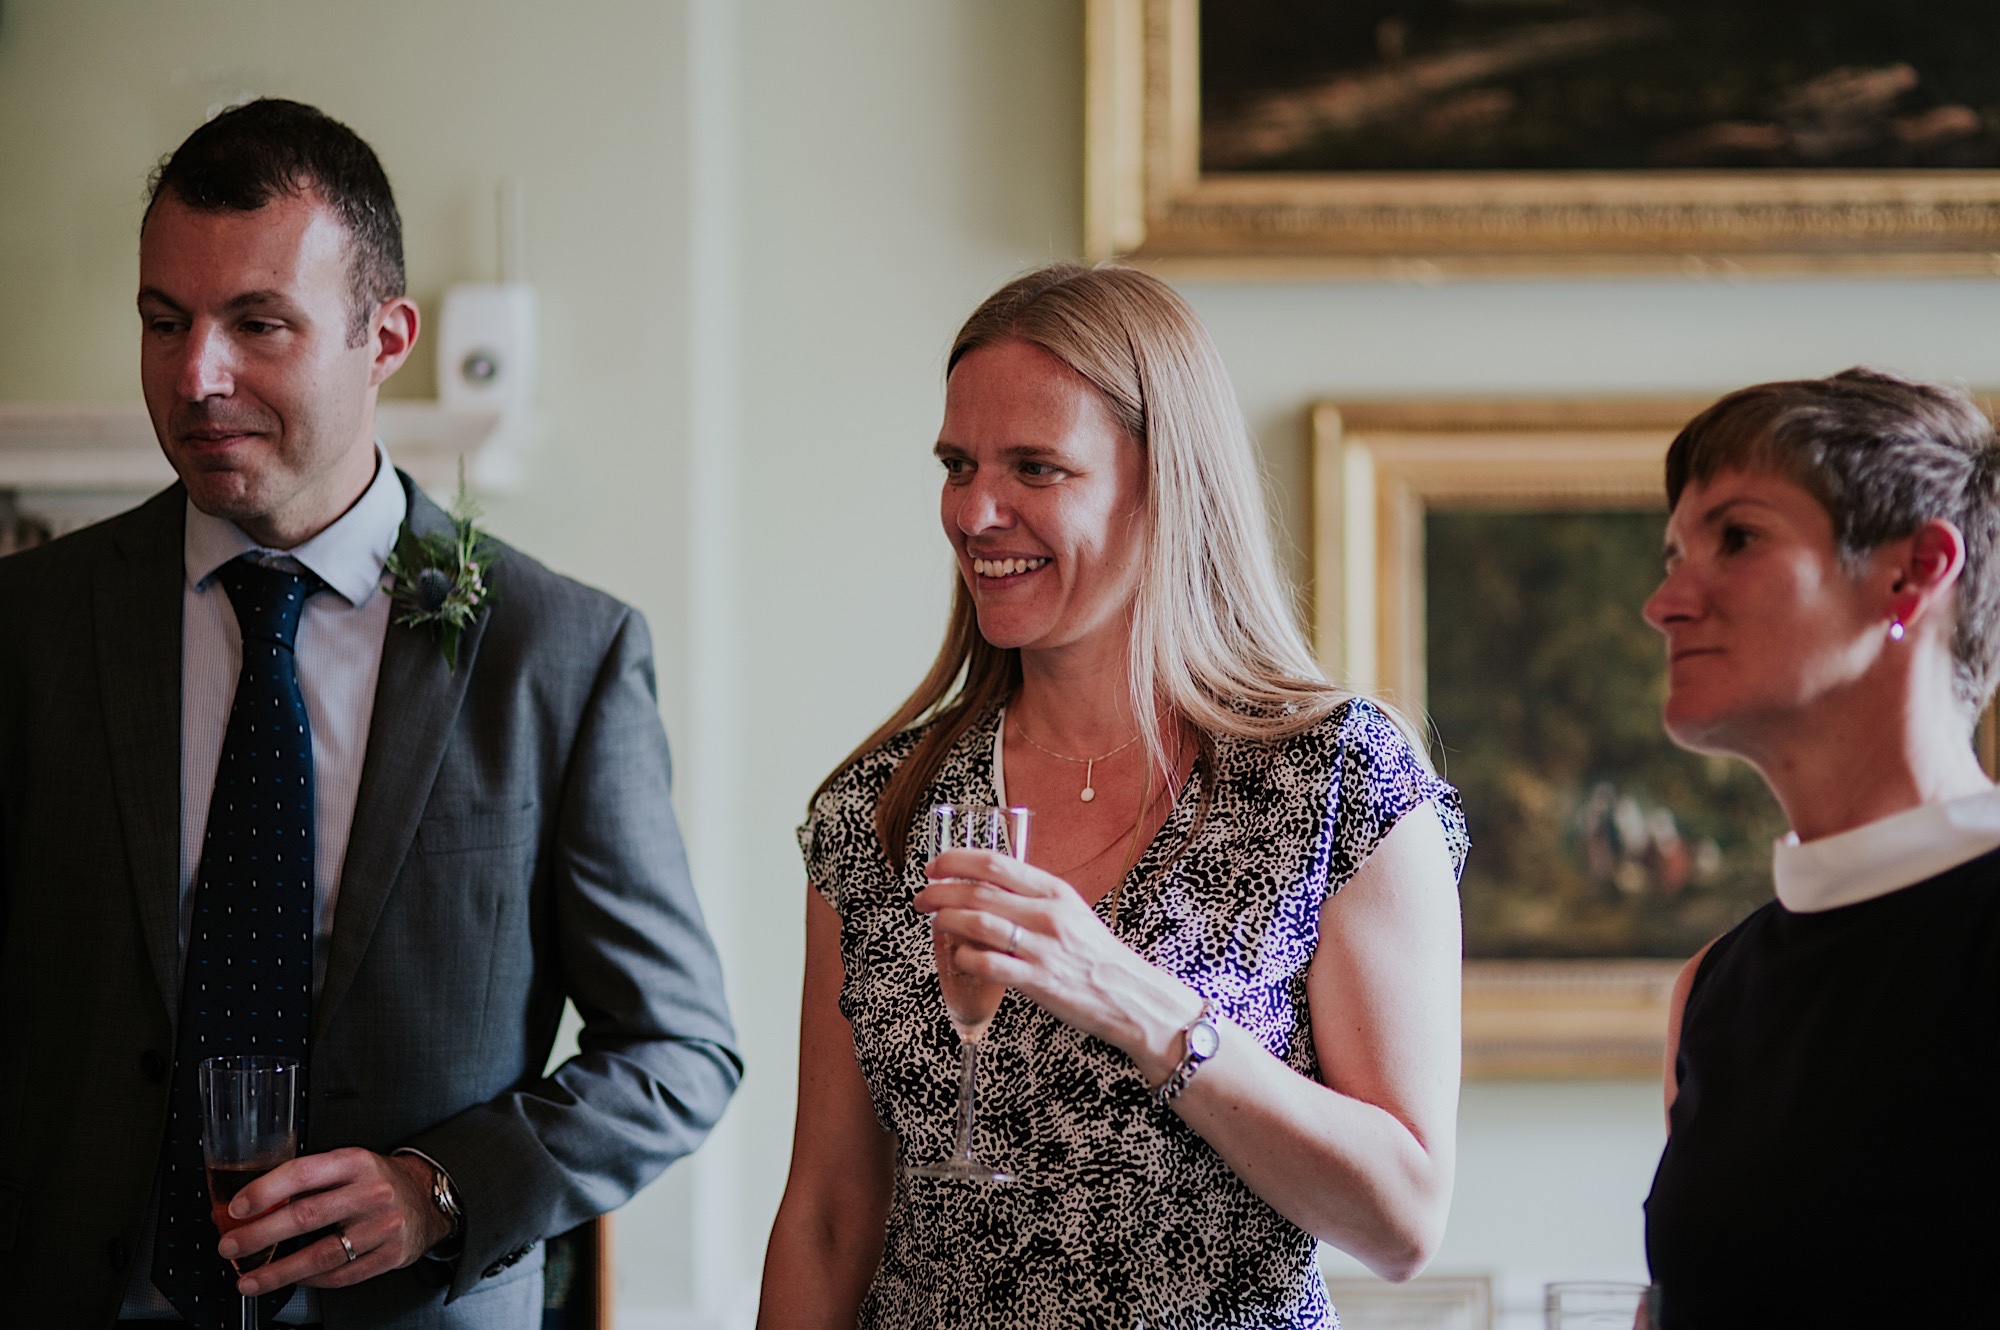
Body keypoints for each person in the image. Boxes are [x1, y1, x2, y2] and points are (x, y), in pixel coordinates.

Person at [0, 99, 740, 1327]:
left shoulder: (558, 654)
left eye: (258, 323)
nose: (197, 375)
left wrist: (439, 1188)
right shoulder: (28, 628)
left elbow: (676, 1054)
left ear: (384, 337)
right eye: (164, 321)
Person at [758, 264, 1468, 1328]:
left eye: (1034, 468)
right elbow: (825, 1212)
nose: (974, 512)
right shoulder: (880, 809)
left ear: (1164, 481)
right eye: (958, 464)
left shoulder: (1335, 780)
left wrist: (1137, 1001)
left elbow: (1401, 1219)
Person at [1640, 369, 2000, 1327]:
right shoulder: (1711, 990)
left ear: (1915, 571)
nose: (1665, 603)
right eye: (1673, 554)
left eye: (1737, 538)